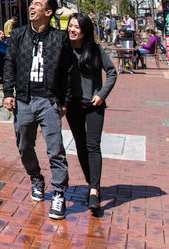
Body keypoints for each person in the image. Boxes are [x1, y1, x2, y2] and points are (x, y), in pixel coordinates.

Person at [2, 0, 71, 220]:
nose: (32, 7)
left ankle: (59, 192)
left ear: (48, 12)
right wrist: (7, 92)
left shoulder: (59, 38)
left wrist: (65, 101)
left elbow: (68, 72)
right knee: (24, 145)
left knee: (55, 150)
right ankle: (36, 178)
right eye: (31, 3)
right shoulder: (19, 35)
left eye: (37, 4)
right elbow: (9, 64)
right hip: (23, 100)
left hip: (49, 100)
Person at [64, 12, 117, 211]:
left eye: (76, 26)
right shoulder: (65, 50)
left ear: (85, 31)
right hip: (73, 105)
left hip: (94, 105)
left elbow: (112, 72)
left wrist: (102, 94)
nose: (72, 29)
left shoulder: (95, 50)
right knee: (80, 144)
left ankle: (94, 189)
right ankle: (91, 181)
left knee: (93, 145)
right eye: (70, 26)